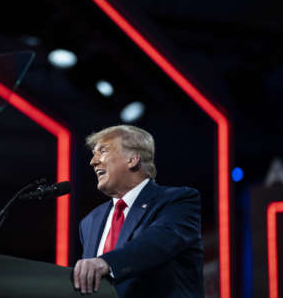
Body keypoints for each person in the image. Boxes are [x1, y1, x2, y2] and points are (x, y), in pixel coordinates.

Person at [73, 125, 204, 297]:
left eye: (102, 151)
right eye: (93, 154)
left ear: (133, 159)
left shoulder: (178, 200)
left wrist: (108, 263)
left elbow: (156, 244)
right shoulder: (90, 222)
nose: (93, 161)